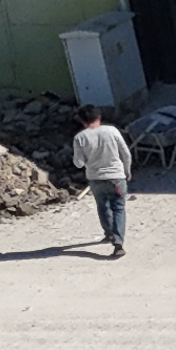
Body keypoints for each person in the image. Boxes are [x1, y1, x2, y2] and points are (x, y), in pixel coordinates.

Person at [70, 107, 134, 255]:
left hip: (95, 178)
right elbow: (126, 153)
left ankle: (109, 233)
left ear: (82, 121)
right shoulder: (112, 131)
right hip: (116, 177)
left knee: (102, 206)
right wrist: (127, 170)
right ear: (99, 117)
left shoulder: (80, 138)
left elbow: (78, 163)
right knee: (118, 207)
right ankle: (118, 242)